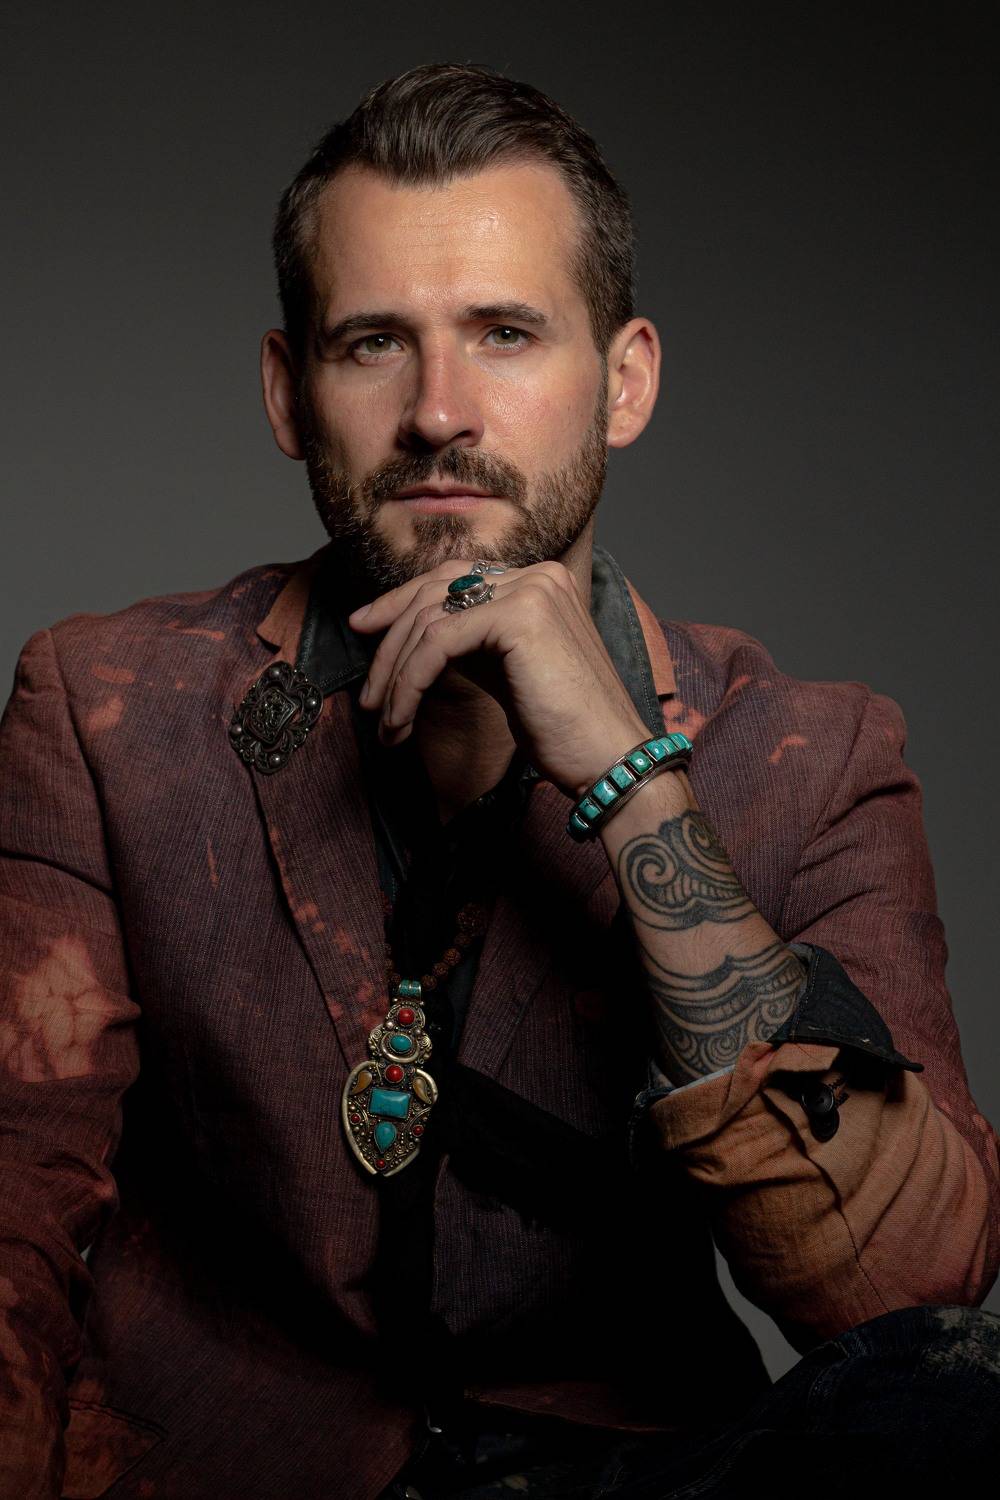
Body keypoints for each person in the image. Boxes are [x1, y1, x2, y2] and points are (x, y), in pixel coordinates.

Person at [0, 60, 997, 1500]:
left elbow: (911, 1302)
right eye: (373, 344)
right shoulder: (108, 711)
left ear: (625, 381)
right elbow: (12, 1215)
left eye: (506, 334)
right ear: (289, 393)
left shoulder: (814, 755)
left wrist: (633, 780)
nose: (439, 413)